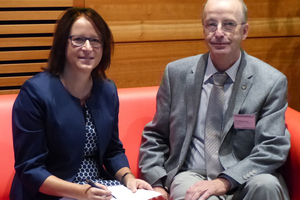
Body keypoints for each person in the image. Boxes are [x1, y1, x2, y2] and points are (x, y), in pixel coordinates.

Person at [138, 0, 291, 199]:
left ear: (244, 31)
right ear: (203, 29)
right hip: (192, 173)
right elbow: (156, 136)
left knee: (267, 185)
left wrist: (225, 181)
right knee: (196, 195)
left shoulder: (270, 81)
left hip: (246, 175)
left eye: (228, 24)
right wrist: (156, 182)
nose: (218, 32)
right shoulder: (176, 74)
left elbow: (273, 146)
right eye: (211, 24)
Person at [10, 7, 152, 200]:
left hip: (98, 187)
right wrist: (80, 193)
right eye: (78, 39)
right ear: (62, 43)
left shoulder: (107, 89)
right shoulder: (35, 93)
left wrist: (128, 178)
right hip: (52, 192)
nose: (88, 47)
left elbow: (113, 150)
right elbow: (30, 168)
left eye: (95, 40)